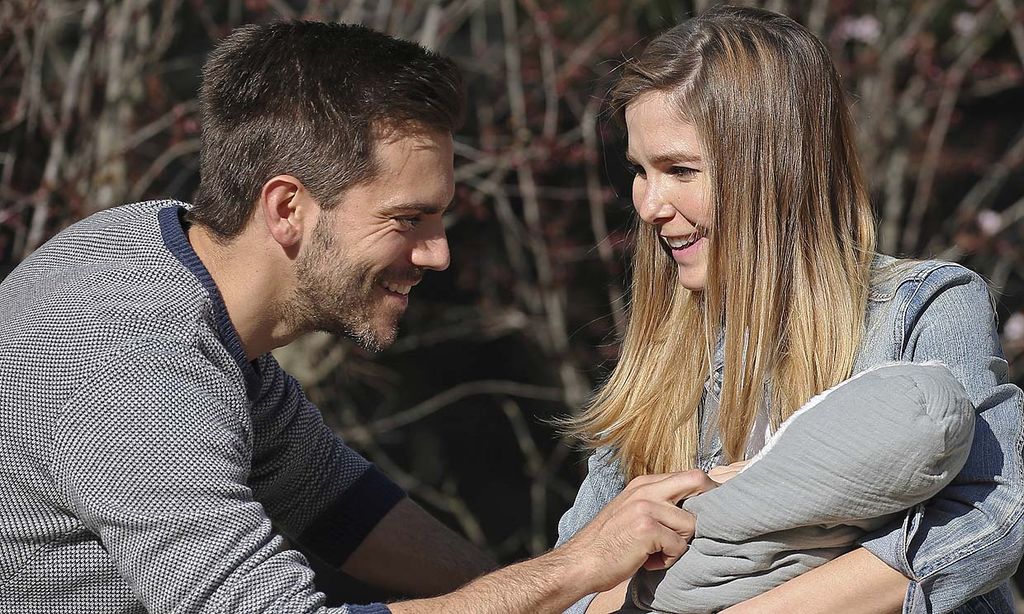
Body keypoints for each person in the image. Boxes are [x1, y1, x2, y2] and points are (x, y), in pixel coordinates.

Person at [0, 21, 713, 614]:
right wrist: (574, 570)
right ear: (287, 210)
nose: (436, 254)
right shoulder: (130, 362)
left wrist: (550, 599)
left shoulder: (161, 252)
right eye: (407, 220)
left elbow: (334, 501)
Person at [555, 6, 1024, 614]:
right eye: (640, 172)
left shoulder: (923, 306)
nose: (648, 204)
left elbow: (994, 512)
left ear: (775, 171)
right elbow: (574, 568)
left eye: (680, 171)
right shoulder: (665, 350)